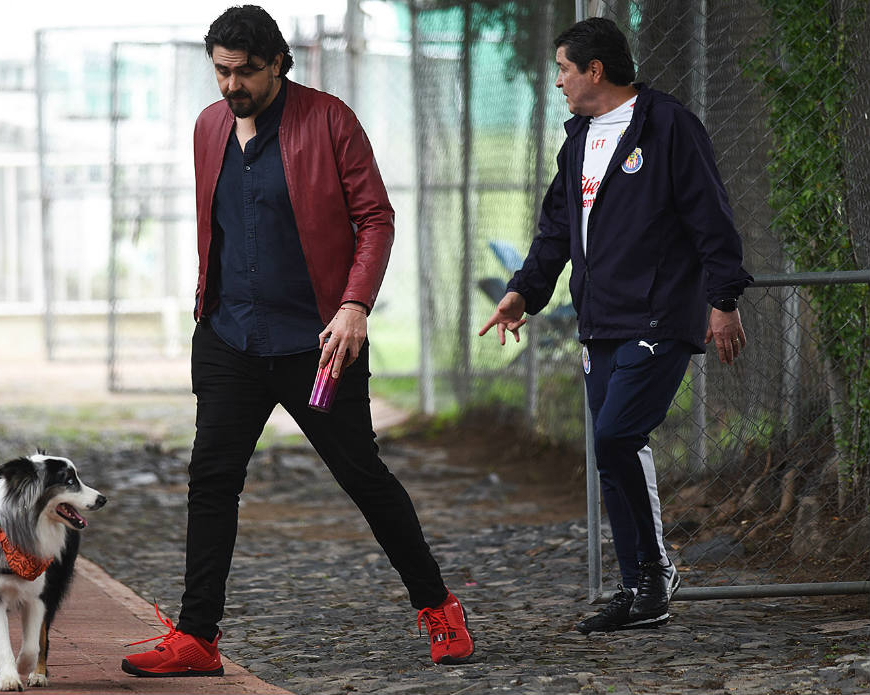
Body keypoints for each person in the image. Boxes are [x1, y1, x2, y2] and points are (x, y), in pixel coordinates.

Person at [122, 5, 473, 677]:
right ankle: (197, 636)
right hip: (229, 336)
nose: (231, 86)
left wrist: (354, 304)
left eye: (245, 72)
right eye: (221, 71)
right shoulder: (209, 126)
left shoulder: (329, 121)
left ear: (278, 61)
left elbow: (375, 217)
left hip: (318, 342)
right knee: (211, 480)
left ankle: (438, 605)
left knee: (362, 475)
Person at [479, 17, 752, 634]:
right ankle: (637, 588)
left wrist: (723, 299)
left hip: (658, 315)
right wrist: (524, 292)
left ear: (594, 71)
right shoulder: (578, 139)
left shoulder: (669, 126)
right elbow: (556, 230)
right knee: (612, 449)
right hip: (599, 321)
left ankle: (655, 576)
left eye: (564, 70)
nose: (557, 83)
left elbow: (712, 217)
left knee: (616, 435)